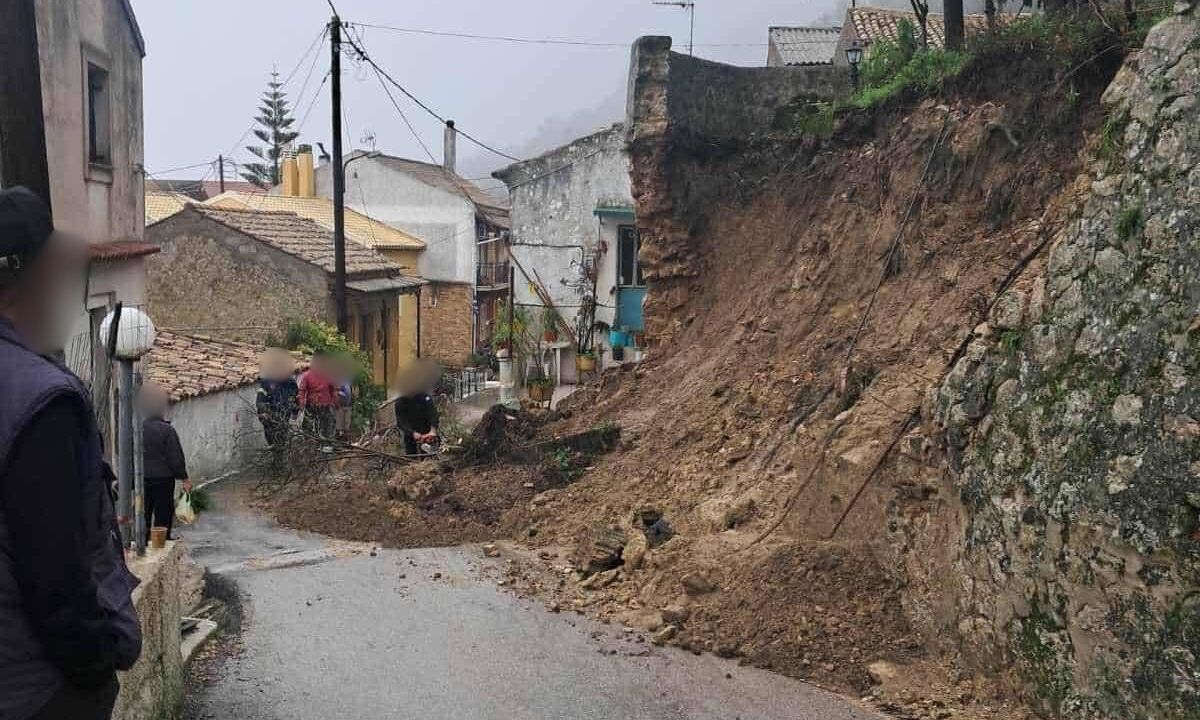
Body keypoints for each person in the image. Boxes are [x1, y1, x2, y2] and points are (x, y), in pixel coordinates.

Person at [0, 187, 141, 720]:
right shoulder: (40, 401)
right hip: (38, 692)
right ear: (39, 275)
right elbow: (56, 583)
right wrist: (96, 665)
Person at [139, 383, 190, 543]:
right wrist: (184, 478)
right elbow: (175, 457)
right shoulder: (167, 431)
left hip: (143, 479)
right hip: (163, 479)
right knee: (163, 512)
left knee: (143, 511)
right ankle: (161, 541)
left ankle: (144, 540)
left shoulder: (138, 430)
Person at [394, 359, 441, 456]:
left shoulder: (424, 397)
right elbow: (401, 422)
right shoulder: (400, 402)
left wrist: (432, 430)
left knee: (430, 457)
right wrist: (412, 433)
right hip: (411, 437)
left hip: (427, 433)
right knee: (412, 458)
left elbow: (433, 413)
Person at [256, 347, 299, 447]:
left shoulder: (291, 382)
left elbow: (295, 397)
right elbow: (260, 398)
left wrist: (295, 412)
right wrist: (263, 413)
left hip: (284, 415)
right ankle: (275, 456)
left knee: (282, 439)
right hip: (270, 416)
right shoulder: (267, 381)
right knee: (271, 440)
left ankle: (280, 458)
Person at [298, 350, 339, 449]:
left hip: (326, 407)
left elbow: (335, 390)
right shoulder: (307, 376)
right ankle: (310, 449)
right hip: (311, 407)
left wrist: (334, 403)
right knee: (309, 430)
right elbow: (302, 390)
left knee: (327, 430)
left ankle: (327, 450)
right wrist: (302, 402)